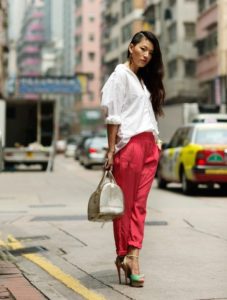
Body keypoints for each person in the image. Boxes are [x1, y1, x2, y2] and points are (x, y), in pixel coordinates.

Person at [101, 31, 165, 287]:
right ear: (131, 47)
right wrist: (110, 149)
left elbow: (144, 112)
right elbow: (112, 115)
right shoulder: (120, 76)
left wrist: (156, 139)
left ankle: (133, 255)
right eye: (143, 49)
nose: (146, 55)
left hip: (149, 146)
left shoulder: (140, 81)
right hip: (129, 147)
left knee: (140, 206)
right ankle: (125, 256)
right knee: (124, 207)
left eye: (150, 52)